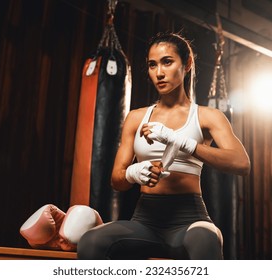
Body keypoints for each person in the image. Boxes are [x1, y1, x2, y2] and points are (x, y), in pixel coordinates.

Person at [77, 32, 250, 260]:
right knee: (91, 241)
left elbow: (241, 163)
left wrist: (182, 142)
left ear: (187, 64)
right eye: (152, 65)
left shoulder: (208, 117)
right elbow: (116, 181)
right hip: (145, 222)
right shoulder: (136, 118)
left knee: (206, 239)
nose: (159, 72)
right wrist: (133, 173)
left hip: (189, 221)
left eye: (167, 62)